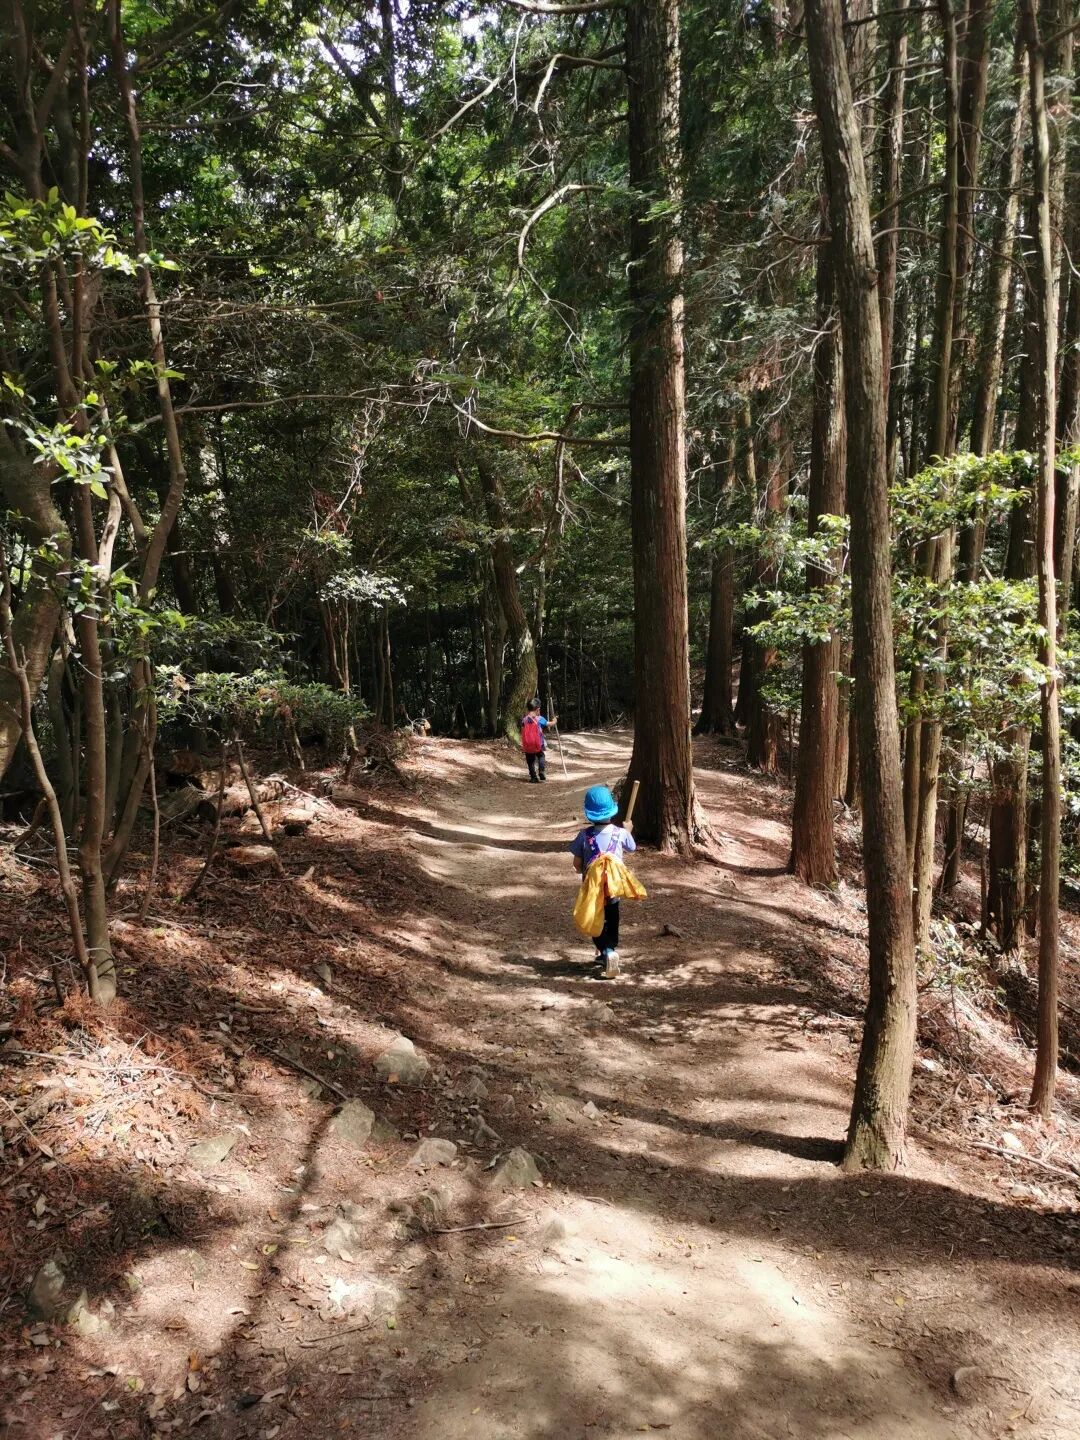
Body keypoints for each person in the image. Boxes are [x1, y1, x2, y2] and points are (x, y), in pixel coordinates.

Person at [570, 784, 639, 978]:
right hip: (613, 889)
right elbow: (632, 848)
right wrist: (628, 830)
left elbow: (577, 864)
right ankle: (610, 950)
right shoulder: (620, 833)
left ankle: (606, 951)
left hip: (593, 891)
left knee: (595, 921)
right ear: (612, 810)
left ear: (589, 814)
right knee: (612, 918)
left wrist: (581, 870)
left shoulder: (584, 836)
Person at [520, 698, 556, 783]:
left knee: (530, 761)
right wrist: (554, 721)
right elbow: (549, 724)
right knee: (541, 756)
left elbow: (522, 731)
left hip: (528, 744)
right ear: (538, 709)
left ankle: (533, 777)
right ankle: (541, 771)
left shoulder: (524, 720)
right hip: (538, 743)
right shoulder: (539, 718)